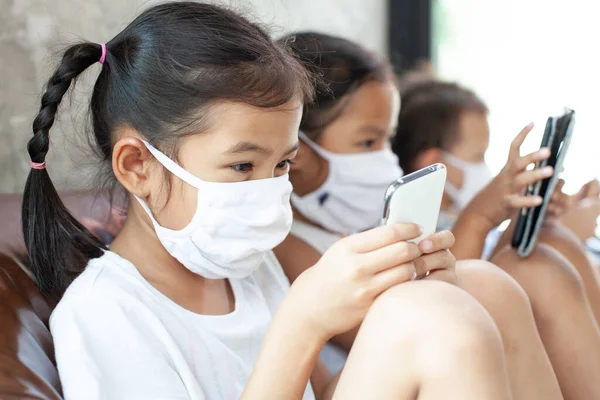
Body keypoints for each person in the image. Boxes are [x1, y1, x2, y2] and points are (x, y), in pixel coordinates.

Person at [21, 3, 517, 399]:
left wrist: (405, 303)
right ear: (137, 167)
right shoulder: (106, 315)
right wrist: (302, 324)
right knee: (437, 317)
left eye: (282, 164)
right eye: (242, 166)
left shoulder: (251, 270)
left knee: (481, 286)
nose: (268, 192)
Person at [276, 32, 563, 399]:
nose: (385, 159)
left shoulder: (350, 228)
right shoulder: (289, 248)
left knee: (496, 278)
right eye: (367, 142)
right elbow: (403, 325)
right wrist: (476, 220)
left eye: (386, 140)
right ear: (296, 151)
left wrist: (513, 223)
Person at [393, 78, 600, 398]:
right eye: (479, 156)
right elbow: (475, 288)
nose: (486, 169)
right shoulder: (420, 228)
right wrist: (482, 215)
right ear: (435, 161)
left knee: (552, 242)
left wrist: (532, 217)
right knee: (548, 254)